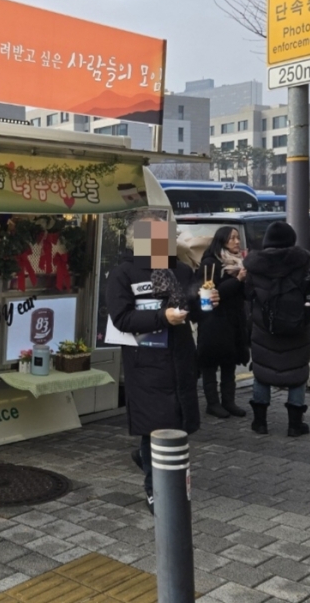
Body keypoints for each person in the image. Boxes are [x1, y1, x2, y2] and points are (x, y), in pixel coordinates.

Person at [106, 212, 216, 513]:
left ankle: (151, 464)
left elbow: (192, 309)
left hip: (180, 358)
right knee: (155, 426)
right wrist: (161, 317)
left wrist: (206, 301)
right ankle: (156, 490)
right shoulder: (122, 274)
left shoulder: (179, 269)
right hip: (146, 363)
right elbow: (122, 318)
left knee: (178, 423)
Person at [243, 221, 310, 437]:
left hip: (264, 327)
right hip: (297, 327)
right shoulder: (303, 262)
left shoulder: (254, 265)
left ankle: (260, 423)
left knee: (262, 371)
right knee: (297, 372)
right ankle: (295, 425)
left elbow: (248, 294)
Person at [197, 226, 249, 418]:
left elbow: (244, 295)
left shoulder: (239, 263)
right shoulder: (210, 264)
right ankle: (213, 403)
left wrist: (244, 281)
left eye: (237, 238)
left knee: (230, 363)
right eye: (232, 238)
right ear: (222, 241)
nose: (237, 241)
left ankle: (229, 401)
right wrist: (237, 280)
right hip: (213, 321)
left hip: (234, 320)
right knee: (210, 364)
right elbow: (211, 293)